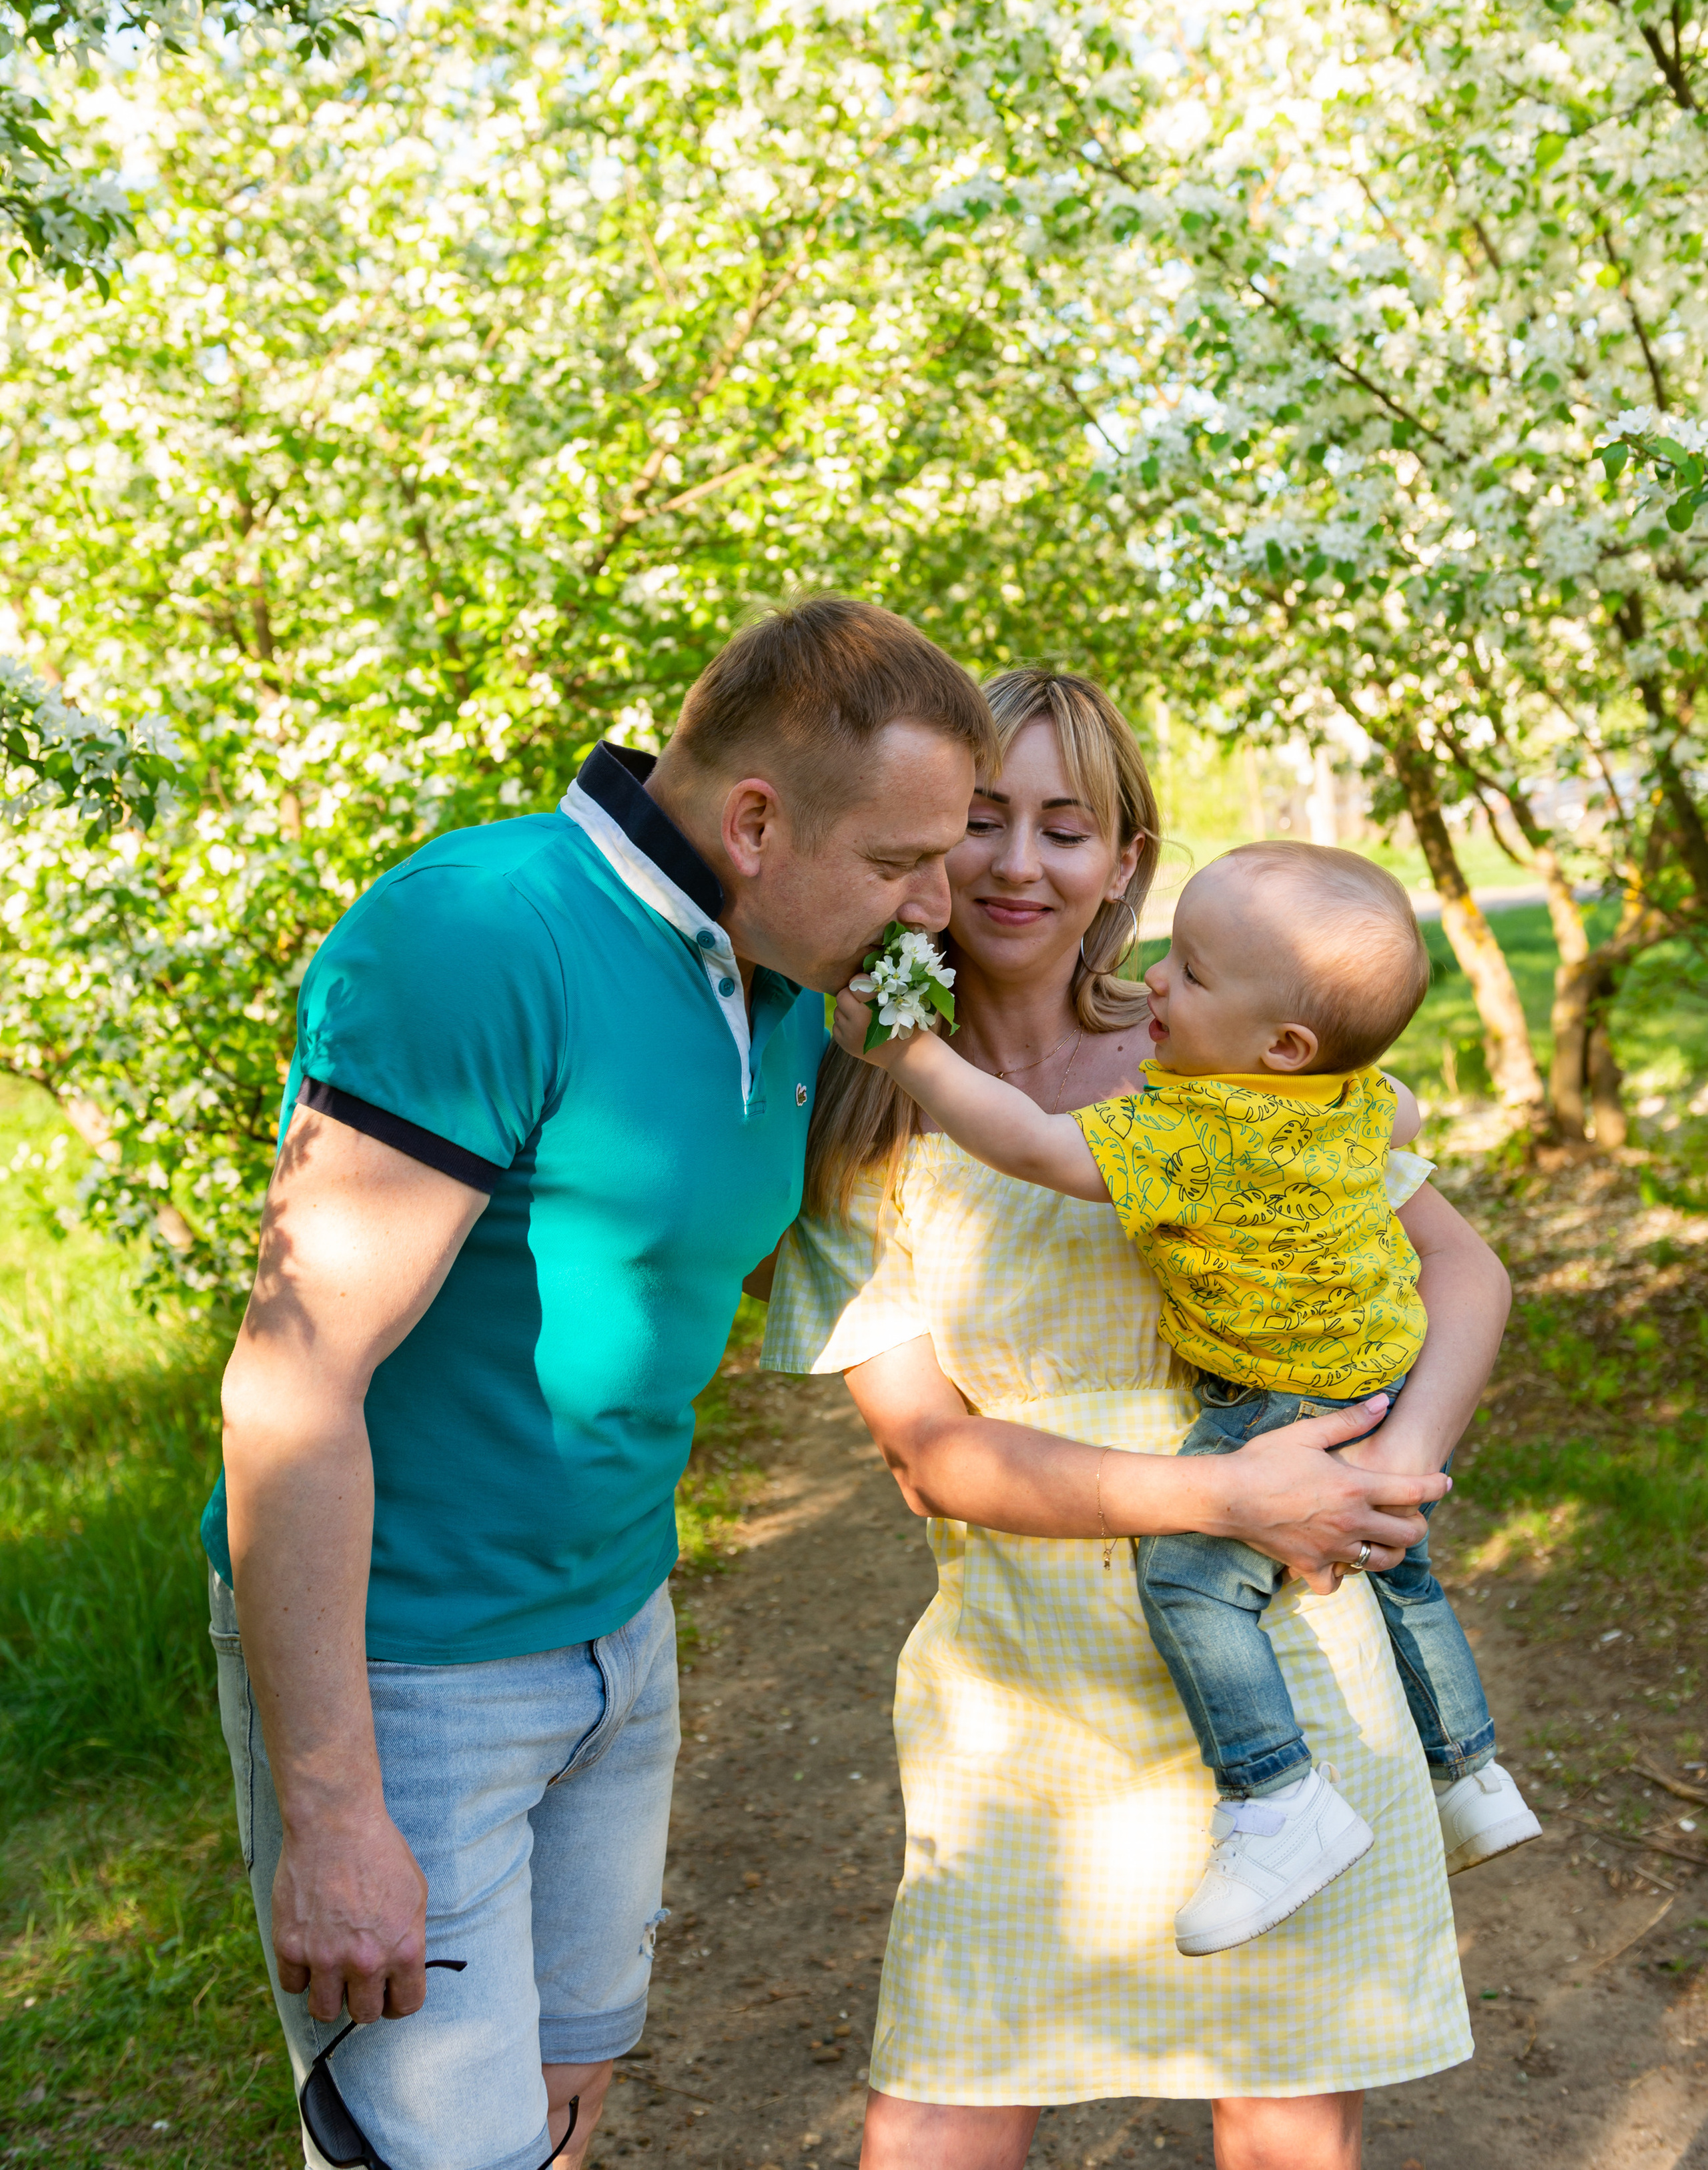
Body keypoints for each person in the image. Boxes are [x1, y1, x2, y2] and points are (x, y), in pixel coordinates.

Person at [203, 596, 999, 2170]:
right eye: (904, 864)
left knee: (560, 2104)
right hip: (414, 1666)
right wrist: (336, 1809)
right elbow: (291, 1379)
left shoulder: (776, 969)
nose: (935, 906)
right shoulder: (482, 934)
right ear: (755, 819)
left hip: (616, 1634)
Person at [761, 669, 1509, 2170]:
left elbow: (1458, 1265)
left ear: (1123, 860)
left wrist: (1397, 1462)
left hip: (1295, 1676)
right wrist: (1220, 1501)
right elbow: (929, 1456)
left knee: (1287, 2118)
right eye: (979, 820)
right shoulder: (862, 1124)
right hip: (1021, 1700)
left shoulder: (1242, 1066)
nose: (1016, 863)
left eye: (1063, 824)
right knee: (937, 2115)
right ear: (922, 836)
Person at [831, 837, 1537, 1963]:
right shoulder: (1343, 1097)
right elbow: (1400, 1114)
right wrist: (1399, 1457)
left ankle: (1276, 1795)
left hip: (1275, 1402)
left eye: (1196, 973)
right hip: (1371, 1378)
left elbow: (1029, 1144)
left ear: (1282, 1042)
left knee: (1192, 1582)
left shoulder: (1190, 1123)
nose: (1162, 978)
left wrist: (907, 1054)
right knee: (1406, 1572)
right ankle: (1474, 1770)